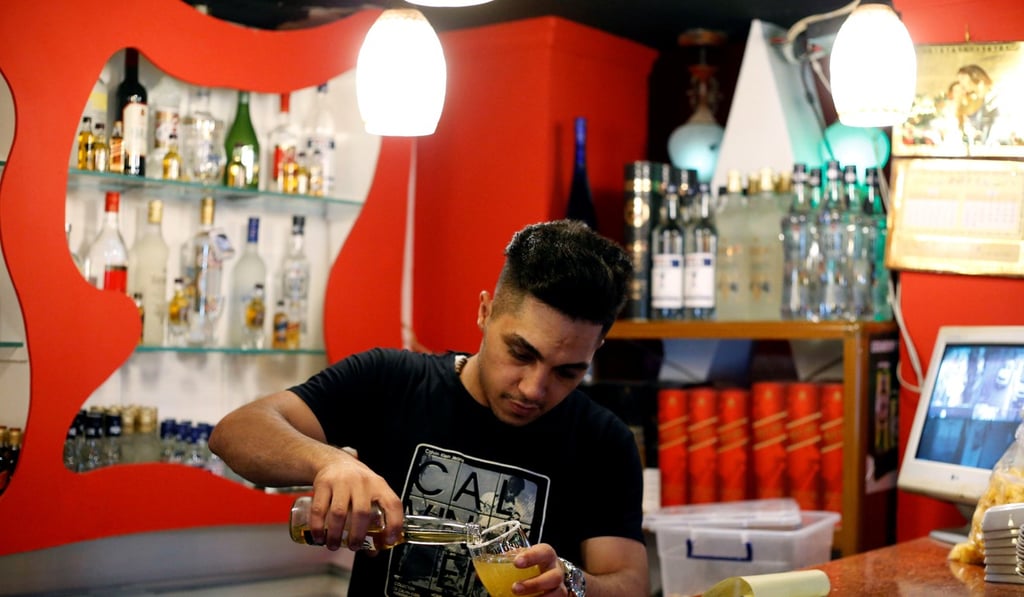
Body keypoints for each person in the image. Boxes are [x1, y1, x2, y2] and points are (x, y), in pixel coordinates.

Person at [209, 219, 648, 597]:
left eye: (567, 372)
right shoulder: (391, 380)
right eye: (520, 353)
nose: (535, 388)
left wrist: (572, 583)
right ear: (485, 312)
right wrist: (329, 464)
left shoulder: (603, 442)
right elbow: (236, 431)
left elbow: (629, 583)